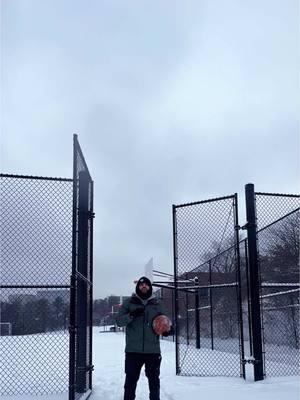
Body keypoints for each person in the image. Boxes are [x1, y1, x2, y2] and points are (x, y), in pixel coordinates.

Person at [116, 276, 173, 400]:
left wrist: (168, 330)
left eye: (146, 284)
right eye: (141, 285)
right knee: (130, 382)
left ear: (150, 287)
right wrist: (131, 315)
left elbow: (167, 321)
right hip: (133, 351)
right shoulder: (129, 303)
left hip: (152, 351)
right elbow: (119, 321)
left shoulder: (157, 304)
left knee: (154, 382)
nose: (144, 286)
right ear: (138, 287)